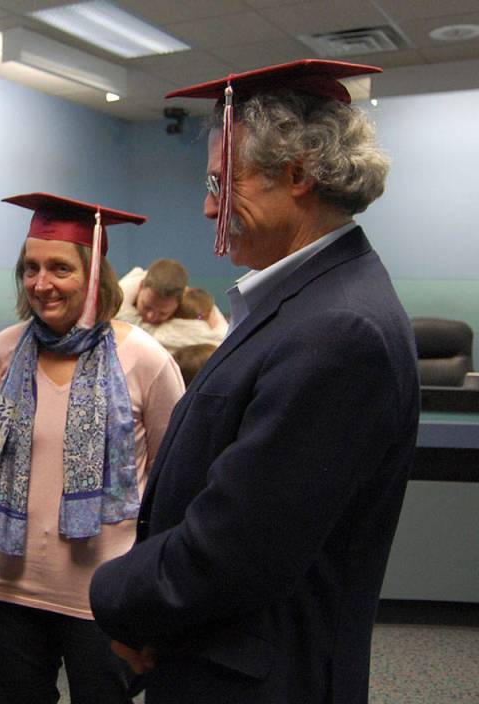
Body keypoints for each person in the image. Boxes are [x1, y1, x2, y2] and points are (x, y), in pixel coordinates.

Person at [89, 60, 420, 704]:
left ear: (297, 173)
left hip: (259, 678)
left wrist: (112, 596)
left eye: (222, 181)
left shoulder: (338, 329)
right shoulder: (307, 300)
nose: (210, 206)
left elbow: (234, 552)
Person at [0, 193, 185, 703]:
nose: (41, 284)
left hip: (103, 596)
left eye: (59, 268)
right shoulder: (6, 349)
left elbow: (171, 485)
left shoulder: (144, 360)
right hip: (5, 586)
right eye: (30, 268)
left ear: (94, 275)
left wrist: (155, 599)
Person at [115, 258, 188, 326]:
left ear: (179, 305)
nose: (150, 317)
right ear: (140, 287)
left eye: (162, 313)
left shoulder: (189, 306)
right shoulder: (117, 300)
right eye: (146, 307)